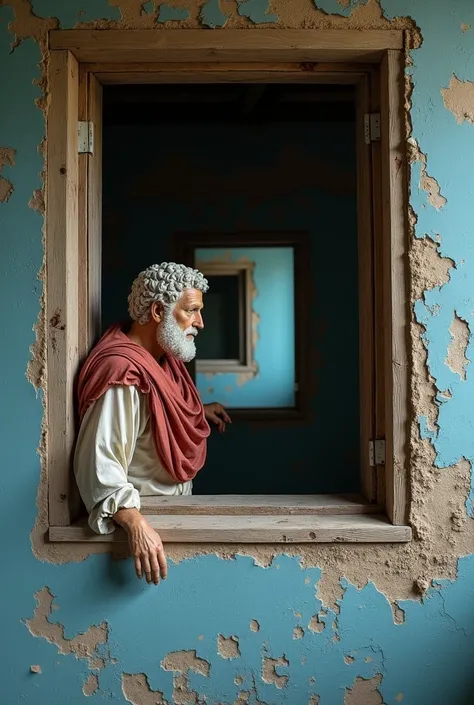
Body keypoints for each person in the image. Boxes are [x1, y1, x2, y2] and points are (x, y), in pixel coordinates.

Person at [74, 262, 231, 585]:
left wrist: (198, 409)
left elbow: (154, 409)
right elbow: (99, 461)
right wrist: (134, 522)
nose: (200, 323)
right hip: (149, 523)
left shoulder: (160, 361)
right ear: (159, 310)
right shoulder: (123, 375)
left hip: (174, 513)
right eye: (192, 311)